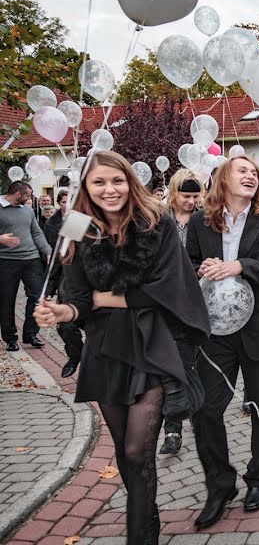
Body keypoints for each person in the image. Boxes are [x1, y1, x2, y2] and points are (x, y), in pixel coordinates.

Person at [33, 151, 210, 545]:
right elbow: (75, 293)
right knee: (124, 451)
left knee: (136, 451)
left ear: (129, 181)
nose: (109, 190)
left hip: (152, 344)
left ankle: (140, 538)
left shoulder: (155, 222)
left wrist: (102, 300)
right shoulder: (77, 226)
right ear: (87, 188)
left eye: (116, 180)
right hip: (105, 347)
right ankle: (147, 517)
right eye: (99, 183)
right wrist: (61, 311)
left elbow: (168, 288)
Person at [185, 155, 259, 527]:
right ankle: (219, 484)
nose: (250, 175)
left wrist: (239, 266)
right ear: (222, 179)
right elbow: (189, 263)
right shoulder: (201, 221)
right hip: (216, 331)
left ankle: (258, 478)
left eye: (253, 171)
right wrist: (202, 269)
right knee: (205, 408)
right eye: (241, 170)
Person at [157, 169, 205, 456]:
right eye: (185, 195)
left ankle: (201, 420)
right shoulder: (160, 221)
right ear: (174, 193)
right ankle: (172, 430)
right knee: (174, 368)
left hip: (199, 301)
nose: (190, 201)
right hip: (167, 304)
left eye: (195, 195)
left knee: (194, 365)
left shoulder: (205, 219)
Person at [0, 181, 51, 351]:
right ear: (17, 194)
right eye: (28, 196)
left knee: (38, 296)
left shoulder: (28, 210)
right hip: (6, 261)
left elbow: (36, 232)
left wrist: (47, 250)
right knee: (7, 300)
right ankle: (10, 338)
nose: (30, 199)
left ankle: (30, 335)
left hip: (31, 259)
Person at [42, 190, 84, 378]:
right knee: (66, 327)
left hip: (104, 294)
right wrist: (48, 290)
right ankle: (75, 356)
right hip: (72, 288)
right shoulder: (76, 222)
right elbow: (60, 261)